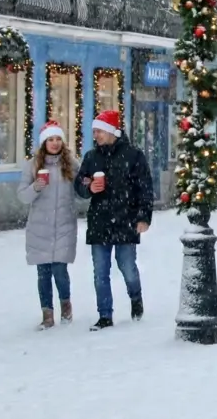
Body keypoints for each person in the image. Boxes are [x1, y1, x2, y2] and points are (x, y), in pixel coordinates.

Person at [74, 110, 153, 330]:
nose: (96, 135)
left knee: (128, 268)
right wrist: (88, 187)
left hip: (126, 221)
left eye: (99, 131)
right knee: (100, 272)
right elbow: (79, 185)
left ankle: (135, 298)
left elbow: (144, 189)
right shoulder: (91, 157)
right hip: (99, 222)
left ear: (111, 132)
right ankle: (105, 315)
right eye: (94, 131)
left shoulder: (134, 156)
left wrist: (143, 217)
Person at [17, 120, 80, 330]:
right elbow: (22, 196)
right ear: (44, 143)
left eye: (58, 139)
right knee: (43, 273)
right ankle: (47, 315)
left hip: (64, 226)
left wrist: (89, 185)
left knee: (60, 270)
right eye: (50, 139)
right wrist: (36, 186)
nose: (54, 143)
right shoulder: (34, 165)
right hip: (39, 228)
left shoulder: (70, 164)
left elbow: (82, 188)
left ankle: (66, 307)